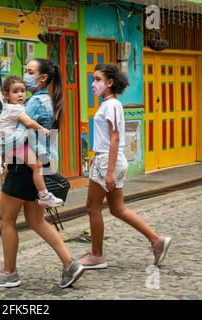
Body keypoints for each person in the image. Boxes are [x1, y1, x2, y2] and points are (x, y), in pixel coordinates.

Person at [0, 58, 85, 289]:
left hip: (23, 168)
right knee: (36, 220)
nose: (25, 75)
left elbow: (18, 138)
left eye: (30, 72)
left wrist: (0, 145)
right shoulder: (45, 100)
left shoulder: (32, 104)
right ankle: (70, 264)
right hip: (34, 165)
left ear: (42, 78)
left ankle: (9, 273)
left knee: (5, 219)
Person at [79, 64, 171, 269]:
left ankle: (97, 255)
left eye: (97, 79)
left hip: (106, 161)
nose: (93, 84)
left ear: (109, 83)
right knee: (117, 208)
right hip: (114, 160)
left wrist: (109, 171)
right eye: (93, 79)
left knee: (92, 207)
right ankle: (156, 240)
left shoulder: (110, 106)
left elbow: (114, 138)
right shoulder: (112, 104)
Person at [0, 75, 63, 208]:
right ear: (6, 95)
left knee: (12, 168)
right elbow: (28, 122)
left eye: (22, 90)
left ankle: (37, 194)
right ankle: (44, 195)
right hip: (14, 143)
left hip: (9, 143)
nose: (20, 94)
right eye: (15, 91)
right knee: (37, 166)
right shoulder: (14, 108)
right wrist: (42, 129)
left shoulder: (14, 106)